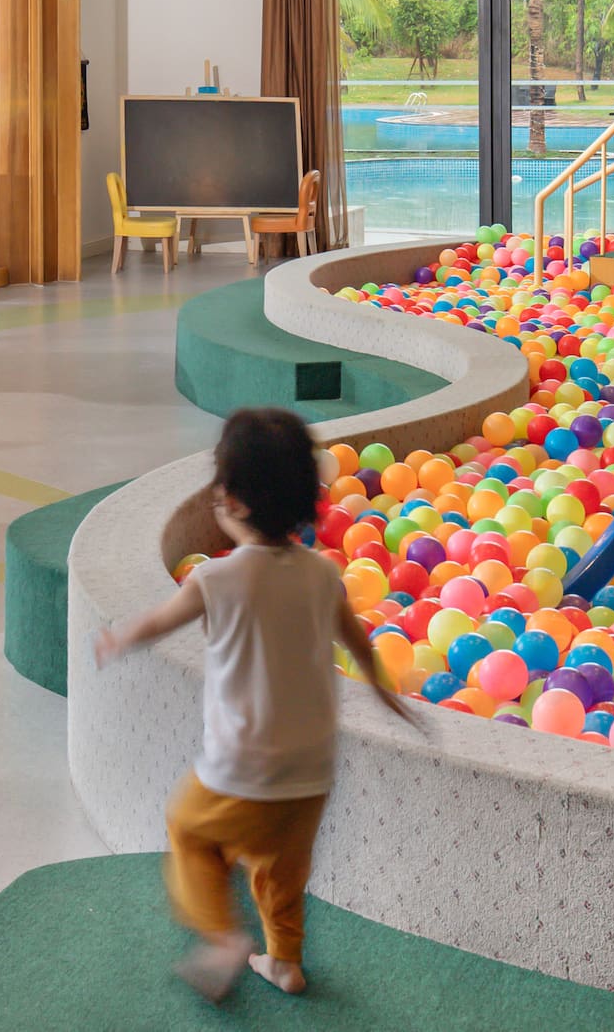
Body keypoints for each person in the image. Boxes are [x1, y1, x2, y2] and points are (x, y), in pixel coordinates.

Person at [95, 406, 411, 1001]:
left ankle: (223, 938)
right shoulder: (322, 576)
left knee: (188, 830)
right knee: (279, 873)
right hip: (311, 775)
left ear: (232, 501)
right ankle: (285, 962)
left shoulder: (216, 580)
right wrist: (386, 696)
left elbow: (158, 621)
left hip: (241, 770)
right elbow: (361, 646)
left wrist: (117, 639)